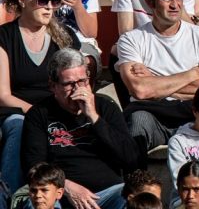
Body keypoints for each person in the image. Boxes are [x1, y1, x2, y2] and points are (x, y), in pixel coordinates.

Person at [116, 0, 199, 153]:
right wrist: (193, 73)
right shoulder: (131, 39)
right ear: (150, 3)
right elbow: (140, 90)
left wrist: (155, 79)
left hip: (194, 112)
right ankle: (137, 180)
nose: (175, 5)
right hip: (152, 112)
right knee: (137, 123)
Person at [0, 0, 81, 194]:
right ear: (23, 1)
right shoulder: (4, 36)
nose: (49, 6)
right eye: (42, 0)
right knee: (19, 124)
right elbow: (3, 95)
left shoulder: (63, 37)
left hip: (56, 109)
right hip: (17, 111)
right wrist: (36, 114)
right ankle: (10, 195)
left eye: (54, 1)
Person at [22, 48, 138, 209]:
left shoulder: (106, 108)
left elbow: (131, 158)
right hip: (60, 195)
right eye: (69, 84)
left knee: (136, 201)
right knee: (36, 204)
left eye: (82, 81)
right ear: (53, 86)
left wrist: (94, 117)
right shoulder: (39, 114)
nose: (77, 89)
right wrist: (65, 186)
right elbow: (34, 165)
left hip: (109, 193)